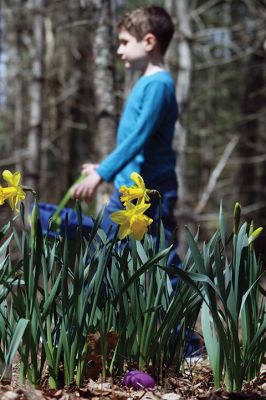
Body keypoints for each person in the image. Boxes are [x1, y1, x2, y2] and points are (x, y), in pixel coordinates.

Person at [73, 5, 180, 266]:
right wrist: (104, 167)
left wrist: (102, 173)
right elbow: (140, 145)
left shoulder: (158, 85)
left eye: (124, 42)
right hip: (132, 189)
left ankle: (187, 303)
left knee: (155, 261)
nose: (119, 50)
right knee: (112, 259)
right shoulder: (148, 82)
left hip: (147, 193)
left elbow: (139, 137)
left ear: (149, 42)